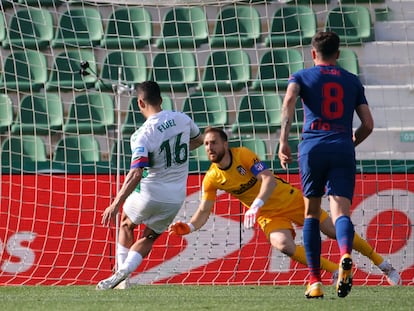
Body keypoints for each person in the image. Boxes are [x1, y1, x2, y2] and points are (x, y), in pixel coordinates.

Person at [169, 127, 400, 292]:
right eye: (206, 144)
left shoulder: (244, 155)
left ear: (225, 144)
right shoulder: (211, 178)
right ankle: (334, 271)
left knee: (334, 231)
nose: (209, 147)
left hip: (290, 200)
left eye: (213, 142)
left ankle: (383, 265)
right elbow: (204, 210)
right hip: (269, 216)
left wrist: (255, 205)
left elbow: (268, 179)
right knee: (282, 245)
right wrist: (188, 227)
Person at [278, 31, 375, 298]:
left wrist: (283, 142)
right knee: (341, 213)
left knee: (311, 214)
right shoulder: (352, 81)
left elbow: (288, 101)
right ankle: (345, 255)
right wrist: (349, 143)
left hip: (312, 147)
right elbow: (368, 124)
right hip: (342, 146)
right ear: (339, 53)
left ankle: (315, 282)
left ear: (313, 53)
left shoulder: (301, 76)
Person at [96, 81, 204, 290]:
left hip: (150, 191)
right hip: (175, 197)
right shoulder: (182, 119)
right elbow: (198, 141)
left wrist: (116, 203)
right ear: (161, 100)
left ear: (139, 103)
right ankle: (125, 271)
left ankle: (122, 277)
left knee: (127, 223)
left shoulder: (141, 135)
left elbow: (136, 172)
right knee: (150, 236)